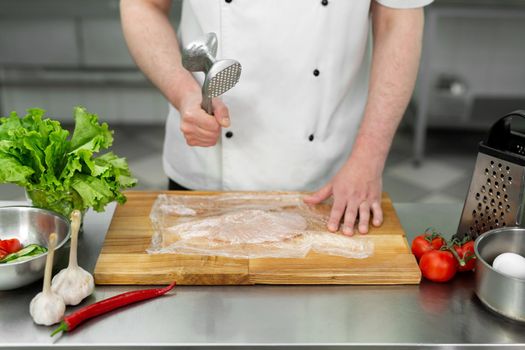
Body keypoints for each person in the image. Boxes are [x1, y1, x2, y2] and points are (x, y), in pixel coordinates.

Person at [120, 0, 432, 236]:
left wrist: (369, 158)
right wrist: (183, 92)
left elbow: (397, 19)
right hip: (207, 167)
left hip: (333, 180)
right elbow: (142, 5)